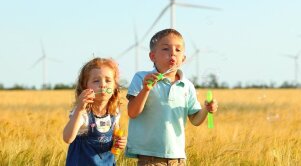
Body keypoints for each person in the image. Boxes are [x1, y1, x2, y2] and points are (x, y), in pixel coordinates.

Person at [125, 29, 218, 165]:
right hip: (150, 158)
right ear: (152, 56)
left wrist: (206, 109)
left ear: (183, 59)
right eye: (165, 49)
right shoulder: (141, 78)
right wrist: (145, 89)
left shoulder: (187, 86)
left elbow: (195, 120)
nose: (172, 53)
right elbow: (132, 112)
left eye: (178, 50)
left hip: (178, 158)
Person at [63, 57, 127, 166]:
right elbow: (67, 138)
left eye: (108, 80)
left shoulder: (114, 112)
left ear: (115, 86)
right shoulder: (83, 114)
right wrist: (79, 109)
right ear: (85, 87)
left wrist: (120, 142)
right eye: (96, 81)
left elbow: (115, 135)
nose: (103, 85)